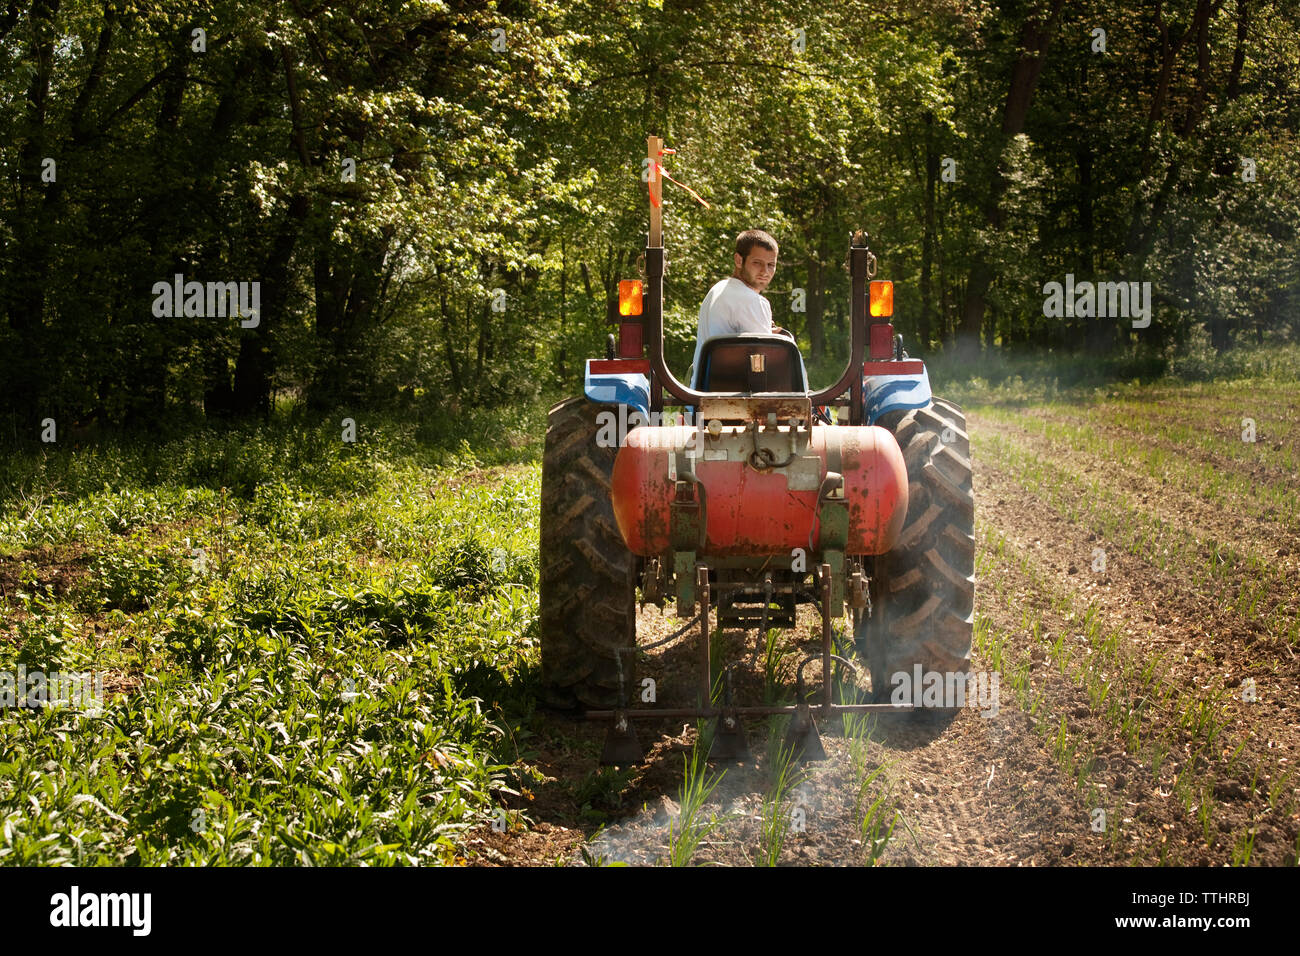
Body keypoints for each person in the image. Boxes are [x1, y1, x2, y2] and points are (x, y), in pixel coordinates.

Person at [688, 229, 797, 388]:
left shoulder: (717, 290)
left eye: (771, 265)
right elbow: (765, 367)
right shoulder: (752, 300)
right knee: (819, 407)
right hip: (736, 401)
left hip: (701, 393)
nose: (765, 272)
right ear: (739, 260)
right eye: (757, 263)